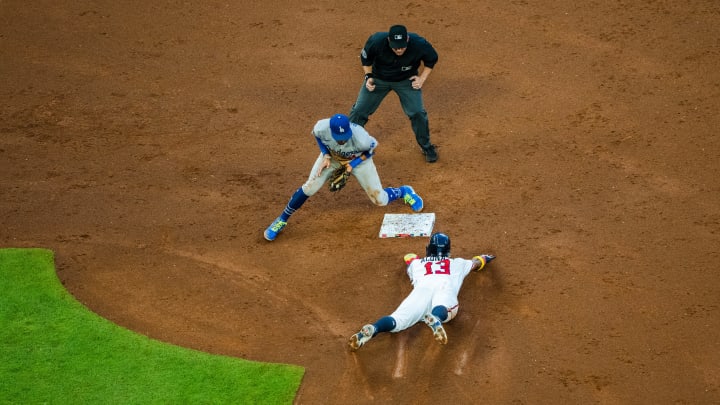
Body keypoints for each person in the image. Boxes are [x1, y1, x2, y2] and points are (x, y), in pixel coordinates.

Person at [263, 113, 424, 241]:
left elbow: (371, 151)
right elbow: (318, 137)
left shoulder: (362, 138)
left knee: (380, 200)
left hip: (359, 161)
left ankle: (404, 191)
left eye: (345, 137)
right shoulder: (321, 127)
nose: (342, 141)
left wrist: (351, 166)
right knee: (309, 187)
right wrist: (325, 155)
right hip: (332, 158)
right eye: (339, 138)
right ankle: (281, 220)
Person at [348, 232, 495, 350]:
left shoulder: (417, 264)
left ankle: (374, 328)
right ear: (448, 251)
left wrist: (413, 258)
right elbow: (476, 263)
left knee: (398, 320)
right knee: (445, 307)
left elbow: (409, 259)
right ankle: (436, 318)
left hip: (421, 291)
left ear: (429, 249)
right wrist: (485, 258)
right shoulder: (458, 263)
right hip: (444, 287)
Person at [349, 24, 440, 163]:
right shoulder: (377, 41)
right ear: (388, 41)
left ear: (407, 40)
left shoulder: (419, 43)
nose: (399, 50)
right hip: (379, 79)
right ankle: (347, 145)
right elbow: (365, 59)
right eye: (395, 47)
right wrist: (368, 77)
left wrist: (422, 79)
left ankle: (427, 147)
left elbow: (432, 59)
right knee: (359, 111)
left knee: (417, 113)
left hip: (406, 80)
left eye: (402, 46)